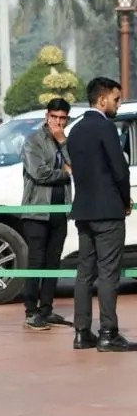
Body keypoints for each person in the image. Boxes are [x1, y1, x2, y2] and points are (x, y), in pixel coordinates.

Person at [68, 76, 133, 352]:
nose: (118, 105)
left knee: (84, 273)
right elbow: (120, 169)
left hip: (84, 210)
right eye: (116, 99)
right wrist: (125, 198)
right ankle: (108, 332)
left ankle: (82, 332)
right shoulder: (105, 127)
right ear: (102, 99)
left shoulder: (76, 130)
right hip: (108, 211)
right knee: (108, 274)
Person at [20, 98, 73, 331]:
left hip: (60, 210)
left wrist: (63, 143)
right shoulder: (33, 141)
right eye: (54, 117)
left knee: (54, 261)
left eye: (62, 118)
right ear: (47, 116)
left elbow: (78, 166)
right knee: (36, 261)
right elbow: (39, 172)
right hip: (37, 211)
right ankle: (31, 311)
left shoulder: (65, 141)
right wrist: (64, 172)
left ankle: (47, 309)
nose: (58, 123)